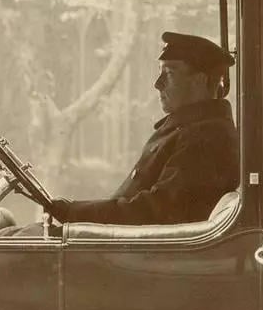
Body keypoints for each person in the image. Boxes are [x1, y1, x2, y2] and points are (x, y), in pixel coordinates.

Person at [47, 30, 239, 226]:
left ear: (200, 81)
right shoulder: (191, 129)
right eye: (160, 72)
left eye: (169, 73)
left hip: (142, 252)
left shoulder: (205, 138)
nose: (158, 84)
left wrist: (73, 212)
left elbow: (154, 211)